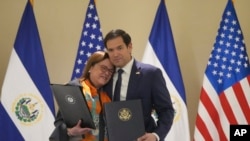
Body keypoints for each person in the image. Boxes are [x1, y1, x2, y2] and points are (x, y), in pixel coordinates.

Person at [103, 29, 174, 141]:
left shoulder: (151, 74)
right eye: (111, 50)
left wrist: (156, 135)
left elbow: (166, 110)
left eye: (120, 48)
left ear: (129, 46)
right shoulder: (105, 75)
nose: (115, 54)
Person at [52, 51, 114, 141]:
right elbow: (60, 122)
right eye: (103, 68)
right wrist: (70, 131)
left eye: (110, 71)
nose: (107, 73)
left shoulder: (109, 94)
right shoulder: (73, 88)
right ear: (91, 68)